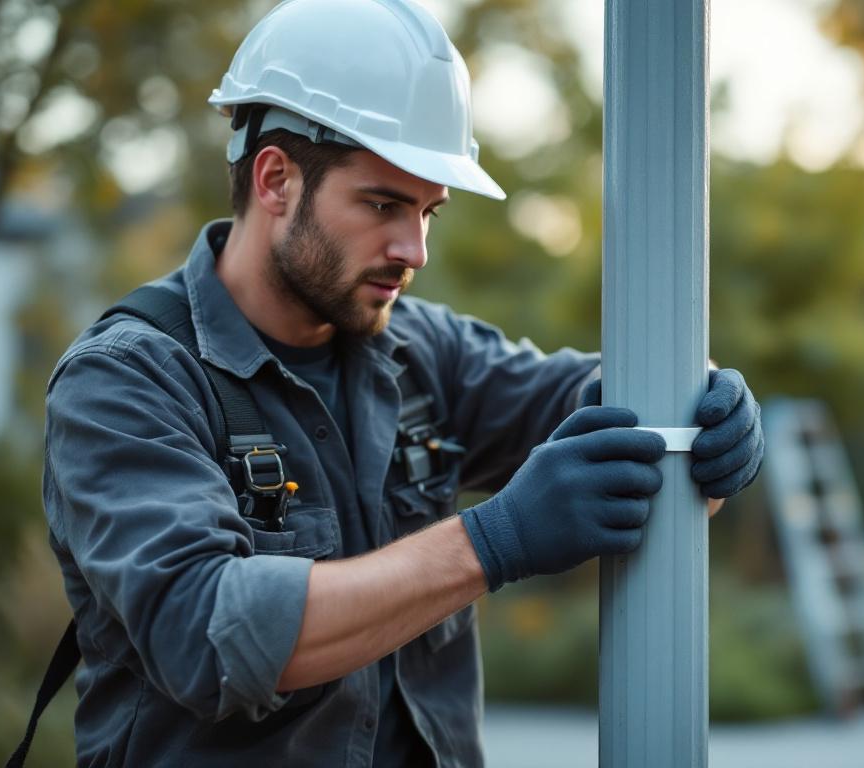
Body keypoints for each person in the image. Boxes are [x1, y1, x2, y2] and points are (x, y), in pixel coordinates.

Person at [40, 0, 764, 765]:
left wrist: (703, 401)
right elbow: (208, 633)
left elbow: (597, 396)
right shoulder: (129, 380)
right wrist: (497, 540)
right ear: (276, 179)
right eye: (383, 204)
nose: (413, 250)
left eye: (429, 212)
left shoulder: (419, 350)